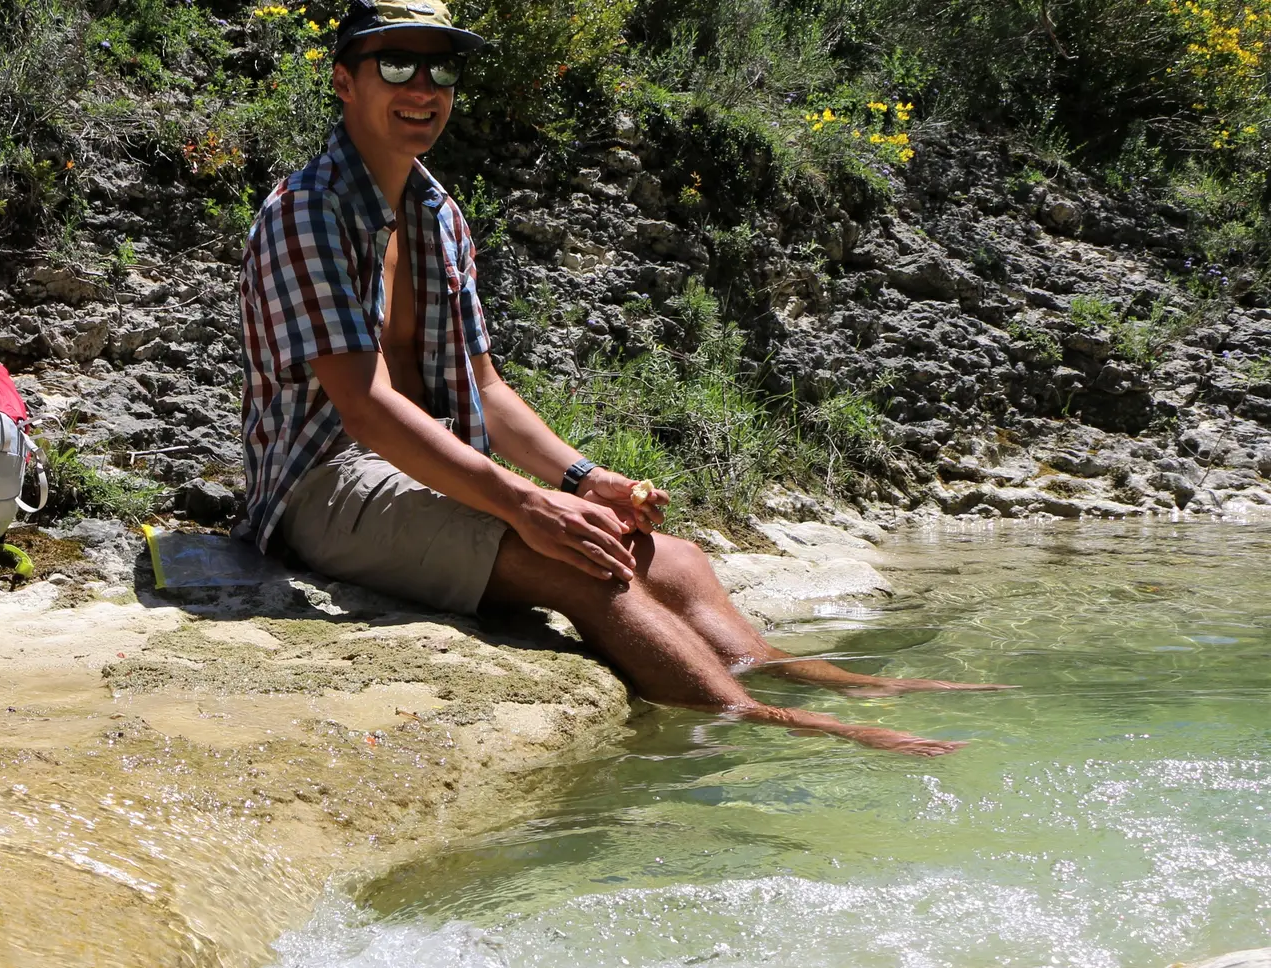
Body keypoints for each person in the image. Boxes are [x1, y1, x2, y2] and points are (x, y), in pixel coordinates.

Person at [238, 0, 1005, 756]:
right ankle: (767, 726)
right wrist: (528, 503)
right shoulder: (309, 210)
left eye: (442, 67)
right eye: (396, 63)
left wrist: (581, 478)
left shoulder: (438, 213)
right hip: (325, 486)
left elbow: (487, 390)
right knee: (586, 569)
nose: (424, 86)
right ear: (344, 82)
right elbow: (365, 410)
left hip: (424, 467)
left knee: (675, 561)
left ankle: (800, 676)